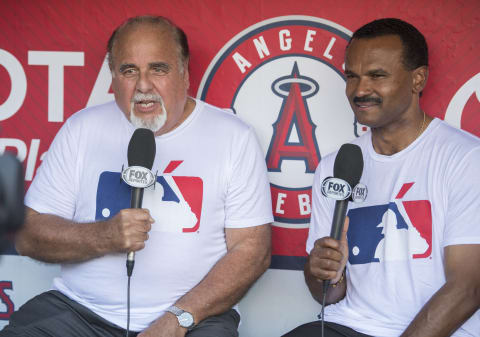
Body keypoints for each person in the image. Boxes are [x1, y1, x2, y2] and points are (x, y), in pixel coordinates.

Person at [1, 15, 273, 337]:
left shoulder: (233, 137)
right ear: (113, 77)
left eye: (158, 69)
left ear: (185, 72)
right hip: (79, 313)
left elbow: (252, 250)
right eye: (129, 70)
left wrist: (178, 319)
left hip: (191, 318)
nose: (143, 85)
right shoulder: (82, 129)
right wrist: (104, 237)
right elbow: (29, 234)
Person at [283, 18, 480, 337]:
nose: (360, 90)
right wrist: (322, 272)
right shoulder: (337, 166)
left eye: (377, 76)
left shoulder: (466, 159)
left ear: (418, 79)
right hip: (351, 325)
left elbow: (468, 287)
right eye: (352, 76)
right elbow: (328, 295)